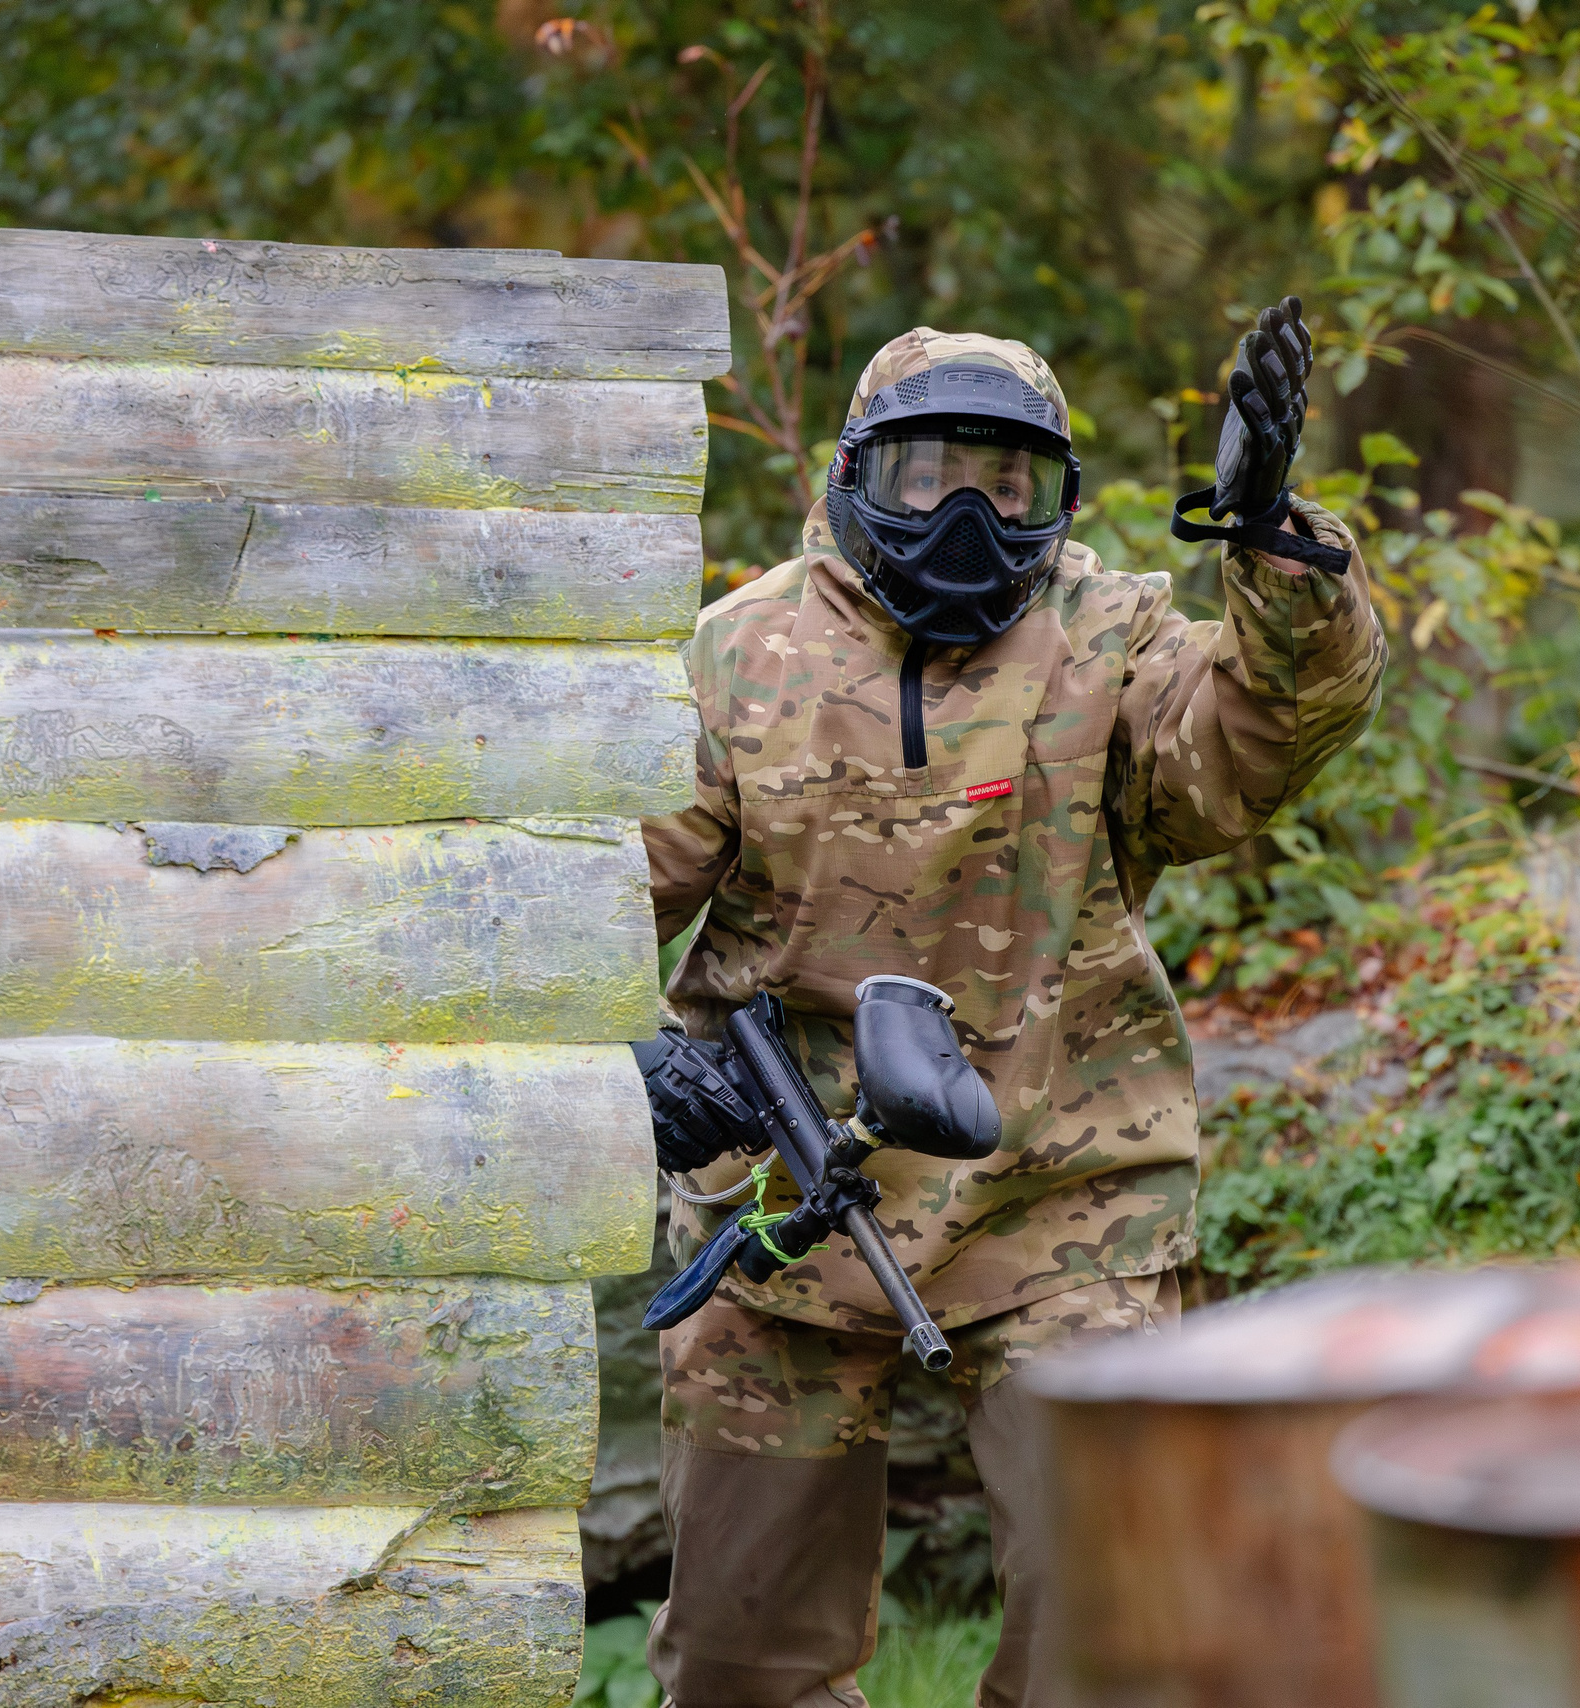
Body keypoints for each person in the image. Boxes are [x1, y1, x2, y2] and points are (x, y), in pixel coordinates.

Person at [636, 302, 1386, 1708]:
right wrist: (624, 1065)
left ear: (1060, 499)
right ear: (860, 473)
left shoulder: (1109, 638)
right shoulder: (741, 658)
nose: (969, 515)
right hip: (783, 1201)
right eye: (932, 476)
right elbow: (589, 892)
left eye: (1008, 479)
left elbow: (1248, 749)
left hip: (1061, 1202)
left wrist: (1279, 550)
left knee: (1122, 1638)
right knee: (743, 1668)